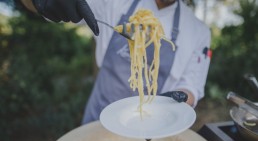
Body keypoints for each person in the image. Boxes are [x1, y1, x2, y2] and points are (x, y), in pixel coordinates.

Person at [21, 0, 211, 125]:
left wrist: (180, 96)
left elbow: (191, 87)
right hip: (97, 120)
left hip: (150, 129)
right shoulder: (115, 1)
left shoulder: (198, 31)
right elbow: (37, 5)